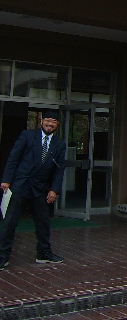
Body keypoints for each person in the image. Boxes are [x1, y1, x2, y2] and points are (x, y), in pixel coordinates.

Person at [0, 110, 66, 270]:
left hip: (40, 188)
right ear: (41, 121)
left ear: (57, 124)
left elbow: (59, 169)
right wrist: (6, 179)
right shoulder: (27, 136)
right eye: (47, 121)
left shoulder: (59, 144)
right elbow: (13, 158)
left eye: (53, 122)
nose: (50, 124)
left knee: (43, 222)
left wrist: (54, 190)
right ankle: (2, 257)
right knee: (10, 222)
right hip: (21, 185)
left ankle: (44, 254)